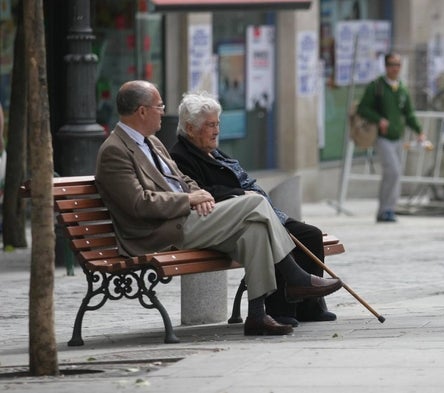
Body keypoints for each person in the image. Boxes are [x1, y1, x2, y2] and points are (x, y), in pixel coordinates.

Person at [95, 80, 343, 337]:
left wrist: (197, 193)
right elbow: (139, 204)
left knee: (255, 230)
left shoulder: (154, 143)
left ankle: (258, 315)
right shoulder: (115, 150)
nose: (163, 110)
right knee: (255, 201)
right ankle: (295, 277)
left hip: (188, 217)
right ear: (142, 111)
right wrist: (189, 200)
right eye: (159, 106)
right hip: (160, 231)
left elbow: (182, 180)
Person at [170, 91, 336, 327]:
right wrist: (240, 194)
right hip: (232, 218)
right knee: (273, 234)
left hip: (255, 208)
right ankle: (281, 308)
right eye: (209, 125)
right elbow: (203, 192)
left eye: (217, 123)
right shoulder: (181, 156)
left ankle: (309, 305)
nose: (216, 130)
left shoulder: (214, 151)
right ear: (189, 127)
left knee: (311, 234)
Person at [357, 53, 426, 223]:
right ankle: (385, 209)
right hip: (383, 137)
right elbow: (362, 108)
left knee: (394, 174)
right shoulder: (377, 86)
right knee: (393, 171)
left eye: (397, 65)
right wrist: (378, 119)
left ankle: (388, 209)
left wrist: (419, 131)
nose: (394, 68)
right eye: (391, 64)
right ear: (385, 66)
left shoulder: (402, 88)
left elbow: (408, 113)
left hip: (397, 137)